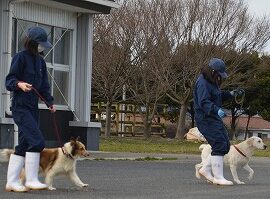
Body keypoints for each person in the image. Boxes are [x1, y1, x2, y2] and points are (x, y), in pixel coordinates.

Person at [5, 27, 56, 192]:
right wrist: (19, 84)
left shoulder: (41, 62)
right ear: (32, 42)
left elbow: (44, 86)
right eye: (40, 44)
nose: (42, 47)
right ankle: (31, 179)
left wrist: (50, 102)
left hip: (33, 108)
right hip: (20, 108)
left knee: (24, 144)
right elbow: (9, 80)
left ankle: (12, 182)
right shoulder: (20, 57)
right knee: (37, 142)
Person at [193, 58, 242, 186]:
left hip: (213, 118)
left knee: (225, 145)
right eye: (219, 74)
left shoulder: (212, 81)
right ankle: (218, 177)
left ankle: (205, 169)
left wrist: (231, 94)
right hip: (205, 119)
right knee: (219, 143)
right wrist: (216, 110)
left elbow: (217, 95)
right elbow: (204, 102)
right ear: (213, 71)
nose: (221, 77)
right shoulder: (202, 83)